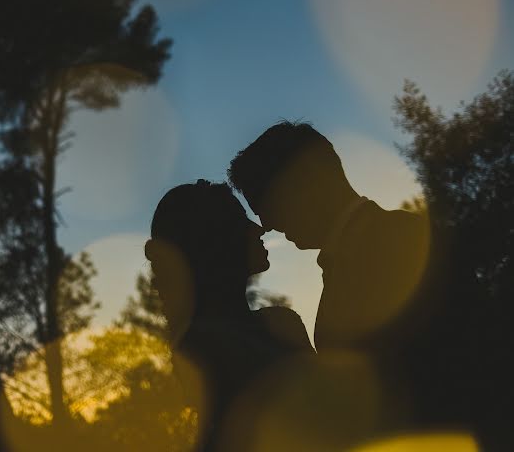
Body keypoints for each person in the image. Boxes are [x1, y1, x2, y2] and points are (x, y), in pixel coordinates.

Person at [226, 121, 430, 353]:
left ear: (306, 179)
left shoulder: (402, 240)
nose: (268, 225)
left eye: (267, 206)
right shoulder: (354, 253)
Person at [146, 180, 312, 450]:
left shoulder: (279, 323)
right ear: (218, 241)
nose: (258, 228)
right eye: (242, 221)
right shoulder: (205, 344)